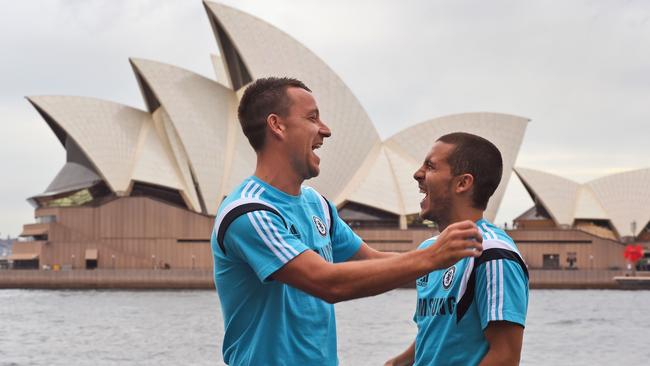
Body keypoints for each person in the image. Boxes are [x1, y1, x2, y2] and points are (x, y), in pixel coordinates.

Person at [210, 77, 484, 366]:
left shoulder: (317, 205)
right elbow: (328, 283)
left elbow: (371, 261)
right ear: (277, 125)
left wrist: (463, 270)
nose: (325, 130)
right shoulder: (249, 212)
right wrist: (433, 257)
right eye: (312, 118)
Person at [385, 132, 529, 366]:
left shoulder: (492, 253)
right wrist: (400, 362)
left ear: (463, 183)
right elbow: (437, 329)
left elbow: (506, 356)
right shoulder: (430, 250)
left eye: (430, 166)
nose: (417, 174)